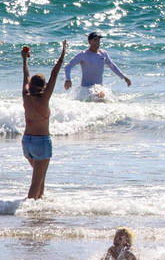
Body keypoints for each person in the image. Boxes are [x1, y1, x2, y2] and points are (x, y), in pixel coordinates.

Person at [22, 40, 67, 199]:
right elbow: (55, 73)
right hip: (41, 143)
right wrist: (62, 54)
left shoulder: (25, 95)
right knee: (36, 182)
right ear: (44, 86)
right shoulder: (44, 98)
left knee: (40, 178)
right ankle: (27, 210)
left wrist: (24, 59)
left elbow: (26, 76)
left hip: (27, 143)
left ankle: (38, 208)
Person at [64, 31, 131, 96]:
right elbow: (68, 66)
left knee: (107, 99)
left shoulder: (103, 54)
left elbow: (112, 66)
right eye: (95, 40)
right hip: (86, 89)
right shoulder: (83, 54)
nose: (97, 42)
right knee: (101, 97)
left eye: (98, 40)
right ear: (89, 42)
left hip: (99, 87)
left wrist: (124, 77)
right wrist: (68, 79)